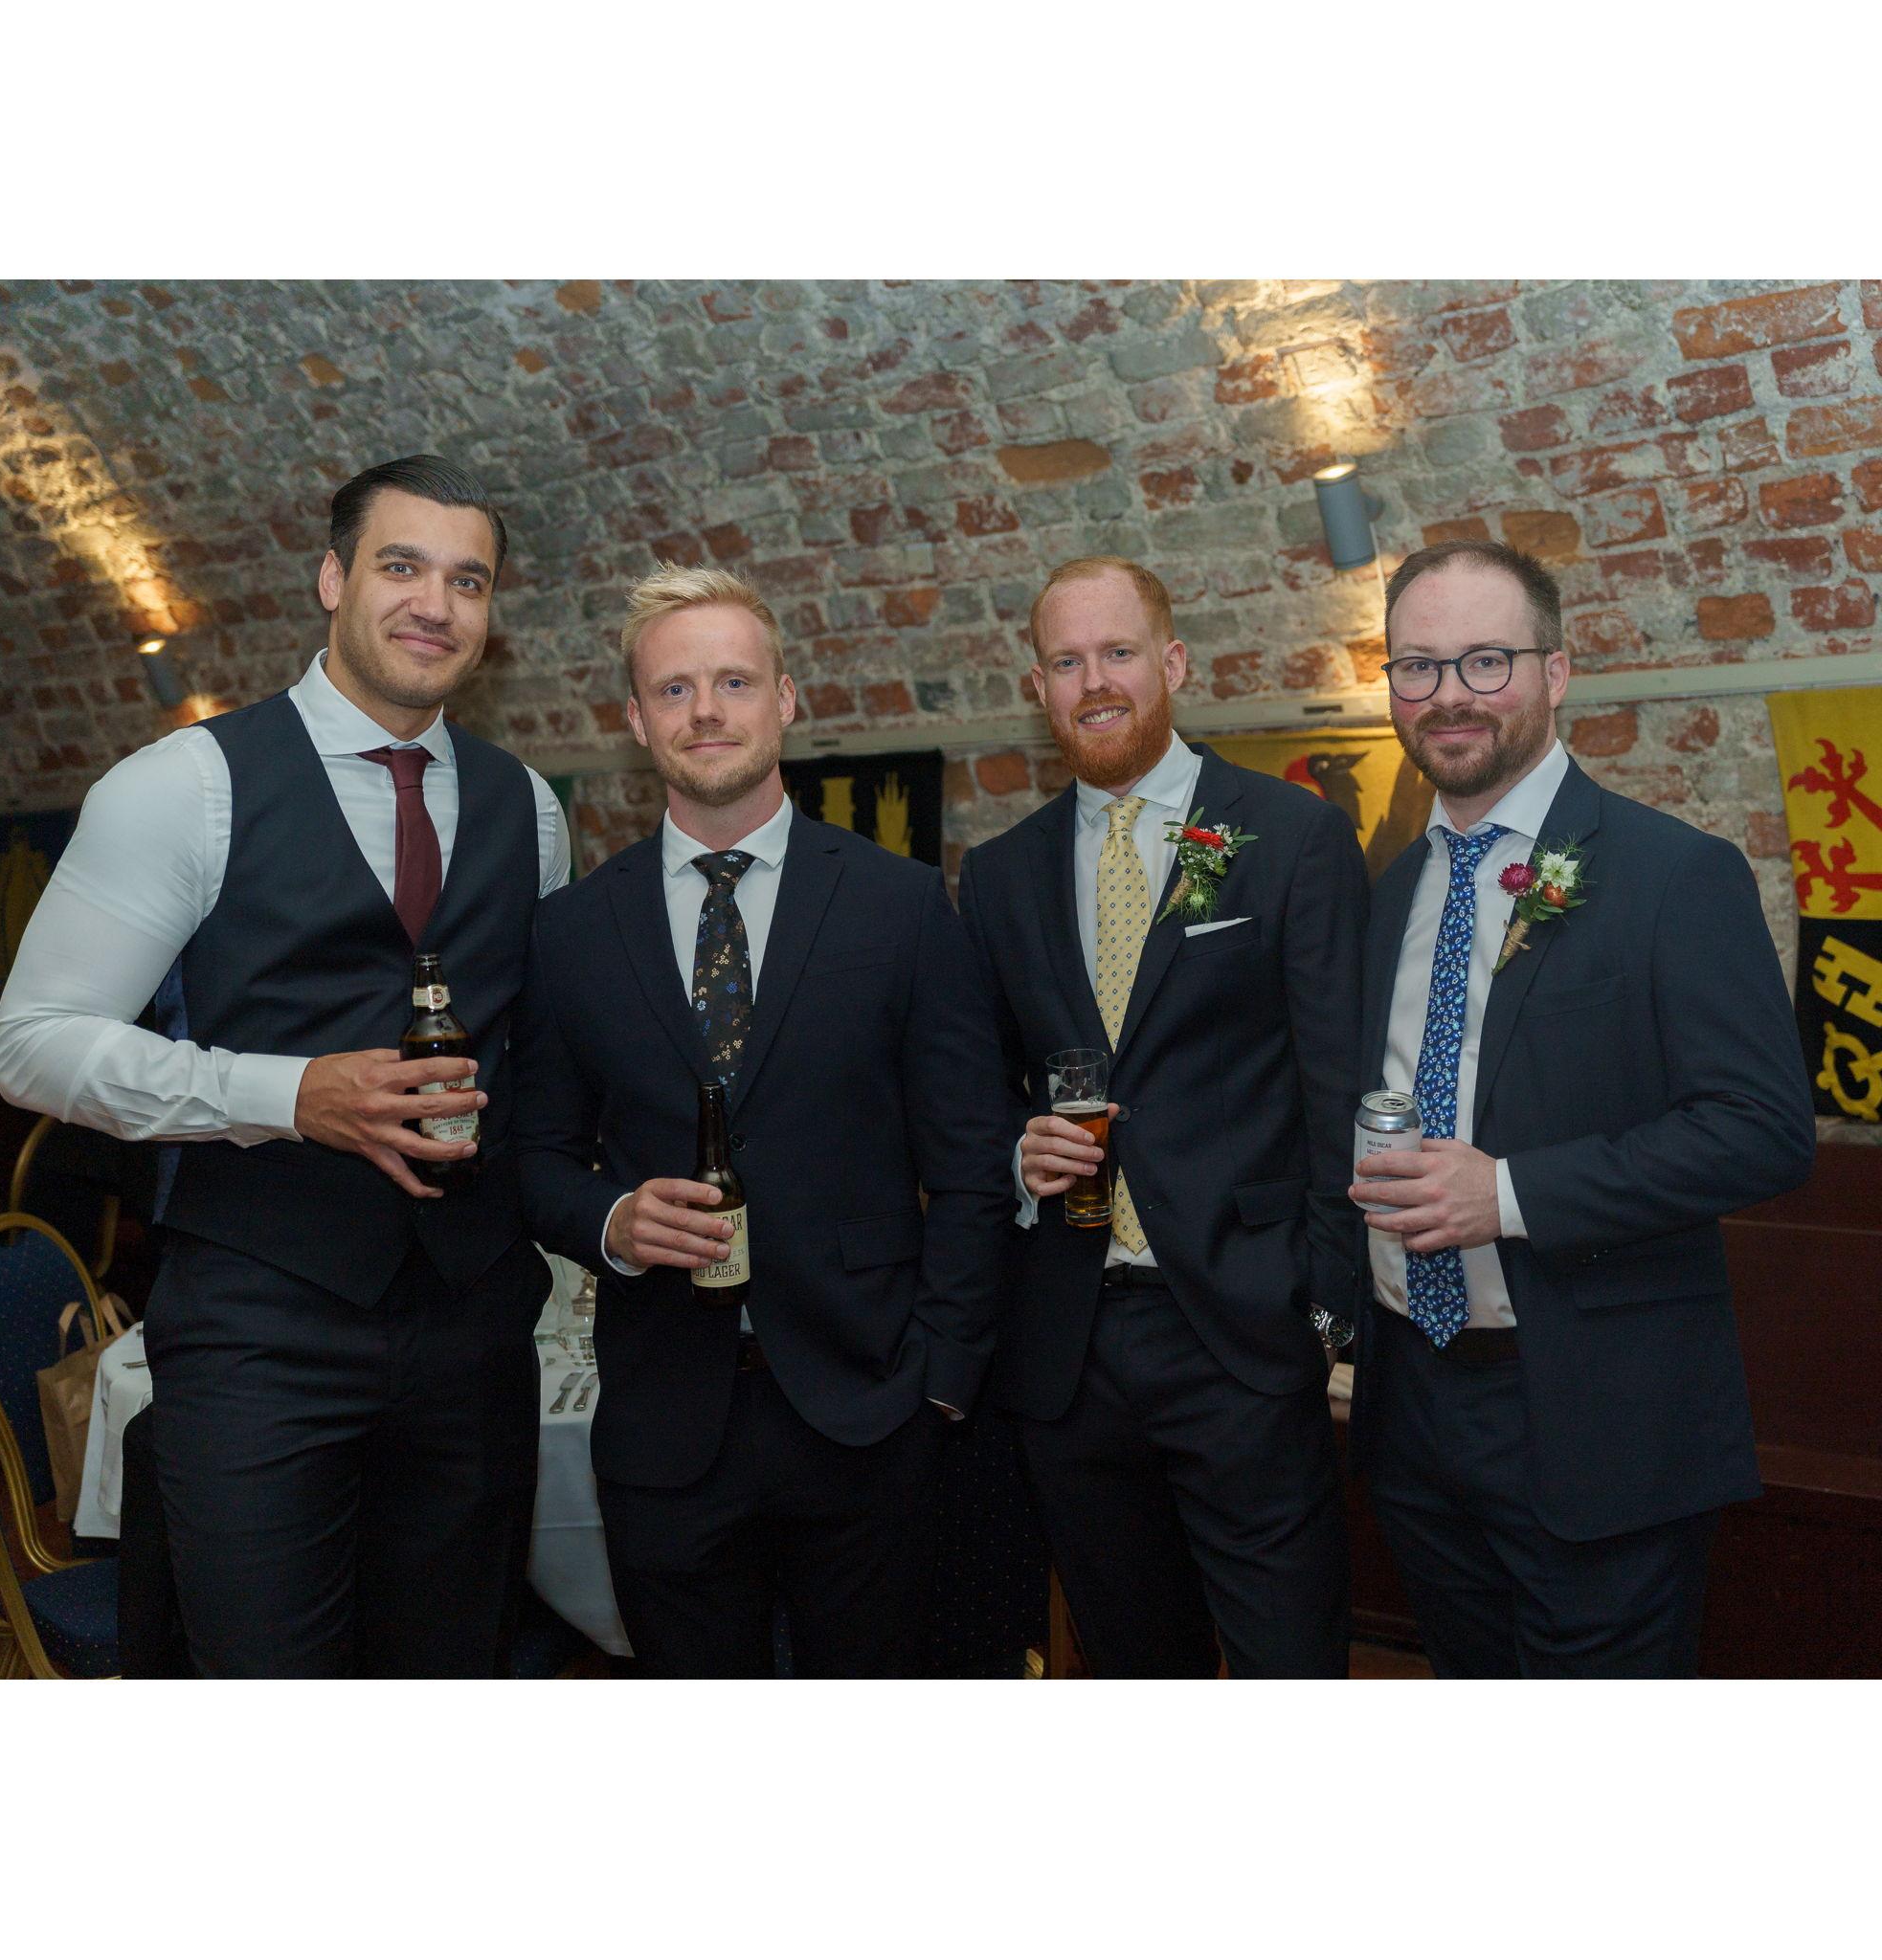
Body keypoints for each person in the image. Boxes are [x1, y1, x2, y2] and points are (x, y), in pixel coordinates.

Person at [0, 455, 570, 1677]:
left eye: (468, 580)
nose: (435, 604)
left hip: (470, 1331)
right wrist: (286, 1094)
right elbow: (33, 1042)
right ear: (331, 579)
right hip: (262, 1328)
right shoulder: (183, 785)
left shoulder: (532, 809)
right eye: (401, 566)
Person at [510, 564, 1010, 1677]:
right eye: (674, 688)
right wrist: (610, 1220)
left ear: (784, 698)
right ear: (635, 718)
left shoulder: (897, 904)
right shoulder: (572, 931)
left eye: (733, 681)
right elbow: (532, 1157)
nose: (706, 710)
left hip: (870, 1410)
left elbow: (971, 1162)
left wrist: (941, 1378)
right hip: (662, 1422)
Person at [1347, 537, 1816, 1678]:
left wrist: (1505, 1193)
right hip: (1414, 1408)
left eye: (1485, 660)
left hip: (1595, 1416)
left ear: (1554, 673)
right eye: (1417, 666)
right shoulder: (1389, 889)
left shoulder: (1671, 874)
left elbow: (1760, 1129)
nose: (1448, 694)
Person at [956, 556, 1367, 1678]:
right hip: (1069, 1346)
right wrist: (1011, 1149)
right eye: (1065, 661)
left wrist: (1323, 1313)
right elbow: (971, 1095)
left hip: (1242, 1333)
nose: (1093, 681)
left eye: (1117, 652)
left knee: (1288, 1664)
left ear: (1171, 663)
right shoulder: (999, 875)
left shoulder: (1284, 835)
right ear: (1037, 687)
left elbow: (1337, 1089)